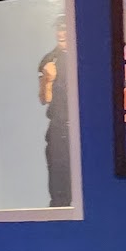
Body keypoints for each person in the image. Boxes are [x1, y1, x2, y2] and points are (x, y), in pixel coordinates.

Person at [37, 15, 72, 208]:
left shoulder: (82, 56)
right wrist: (47, 79)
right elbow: (44, 99)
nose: (61, 33)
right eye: (59, 28)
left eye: (65, 28)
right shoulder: (49, 60)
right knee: (59, 190)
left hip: (81, 129)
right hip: (58, 130)